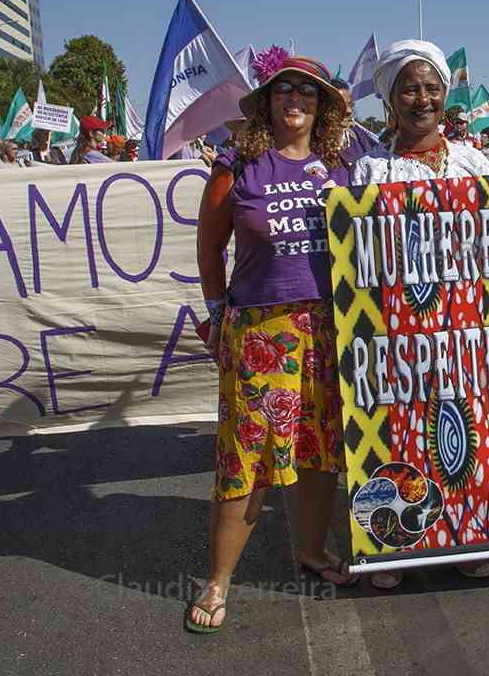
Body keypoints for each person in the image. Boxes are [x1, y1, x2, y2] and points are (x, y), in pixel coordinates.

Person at [188, 55, 356, 634]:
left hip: (328, 329)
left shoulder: (340, 165)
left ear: (323, 107)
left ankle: (311, 552)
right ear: (266, 101)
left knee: (318, 448)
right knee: (247, 457)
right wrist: (215, 315)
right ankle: (218, 579)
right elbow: (210, 248)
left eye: (308, 93)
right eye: (283, 90)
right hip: (260, 332)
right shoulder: (237, 164)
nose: (295, 99)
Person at [350, 40, 489, 587]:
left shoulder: (475, 163)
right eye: (409, 88)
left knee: (469, 427)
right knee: (403, 430)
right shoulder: (369, 172)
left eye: (431, 87)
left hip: (467, 324)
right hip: (399, 330)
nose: (422, 98)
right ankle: (395, 545)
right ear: (390, 100)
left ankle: (468, 534)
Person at [330, 77, 382, 169]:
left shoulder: (359, 137)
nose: (348, 111)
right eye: (340, 106)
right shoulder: (309, 144)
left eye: (350, 105)